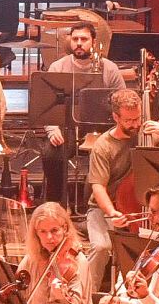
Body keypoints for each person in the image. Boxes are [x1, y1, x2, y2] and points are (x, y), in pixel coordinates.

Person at [83, 87, 159, 295]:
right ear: (115, 117)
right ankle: (86, 299)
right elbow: (98, 187)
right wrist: (112, 212)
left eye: (137, 118)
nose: (135, 125)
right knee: (101, 247)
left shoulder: (149, 135)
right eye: (128, 120)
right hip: (104, 208)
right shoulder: (103, 145)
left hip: (140, 208)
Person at [38, 18, 125, 200]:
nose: (79, 43)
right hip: (68, 126)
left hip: (103, 128)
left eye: (84, 39)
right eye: (75, 39)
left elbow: (122, 102)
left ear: (93, 41)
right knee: (51, 154)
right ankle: (58, 204)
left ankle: (94, 204)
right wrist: (53, 130)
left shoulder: (109, 68)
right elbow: (45, 105)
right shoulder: (58, 67)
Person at [17, 202, 87, 304]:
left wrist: (60, 297)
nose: (49, 237)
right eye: (43, 231)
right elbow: (17, 299)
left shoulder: (78, 261)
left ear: (64, 228)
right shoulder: (31, 259)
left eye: (54, 230)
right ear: (36, 233)